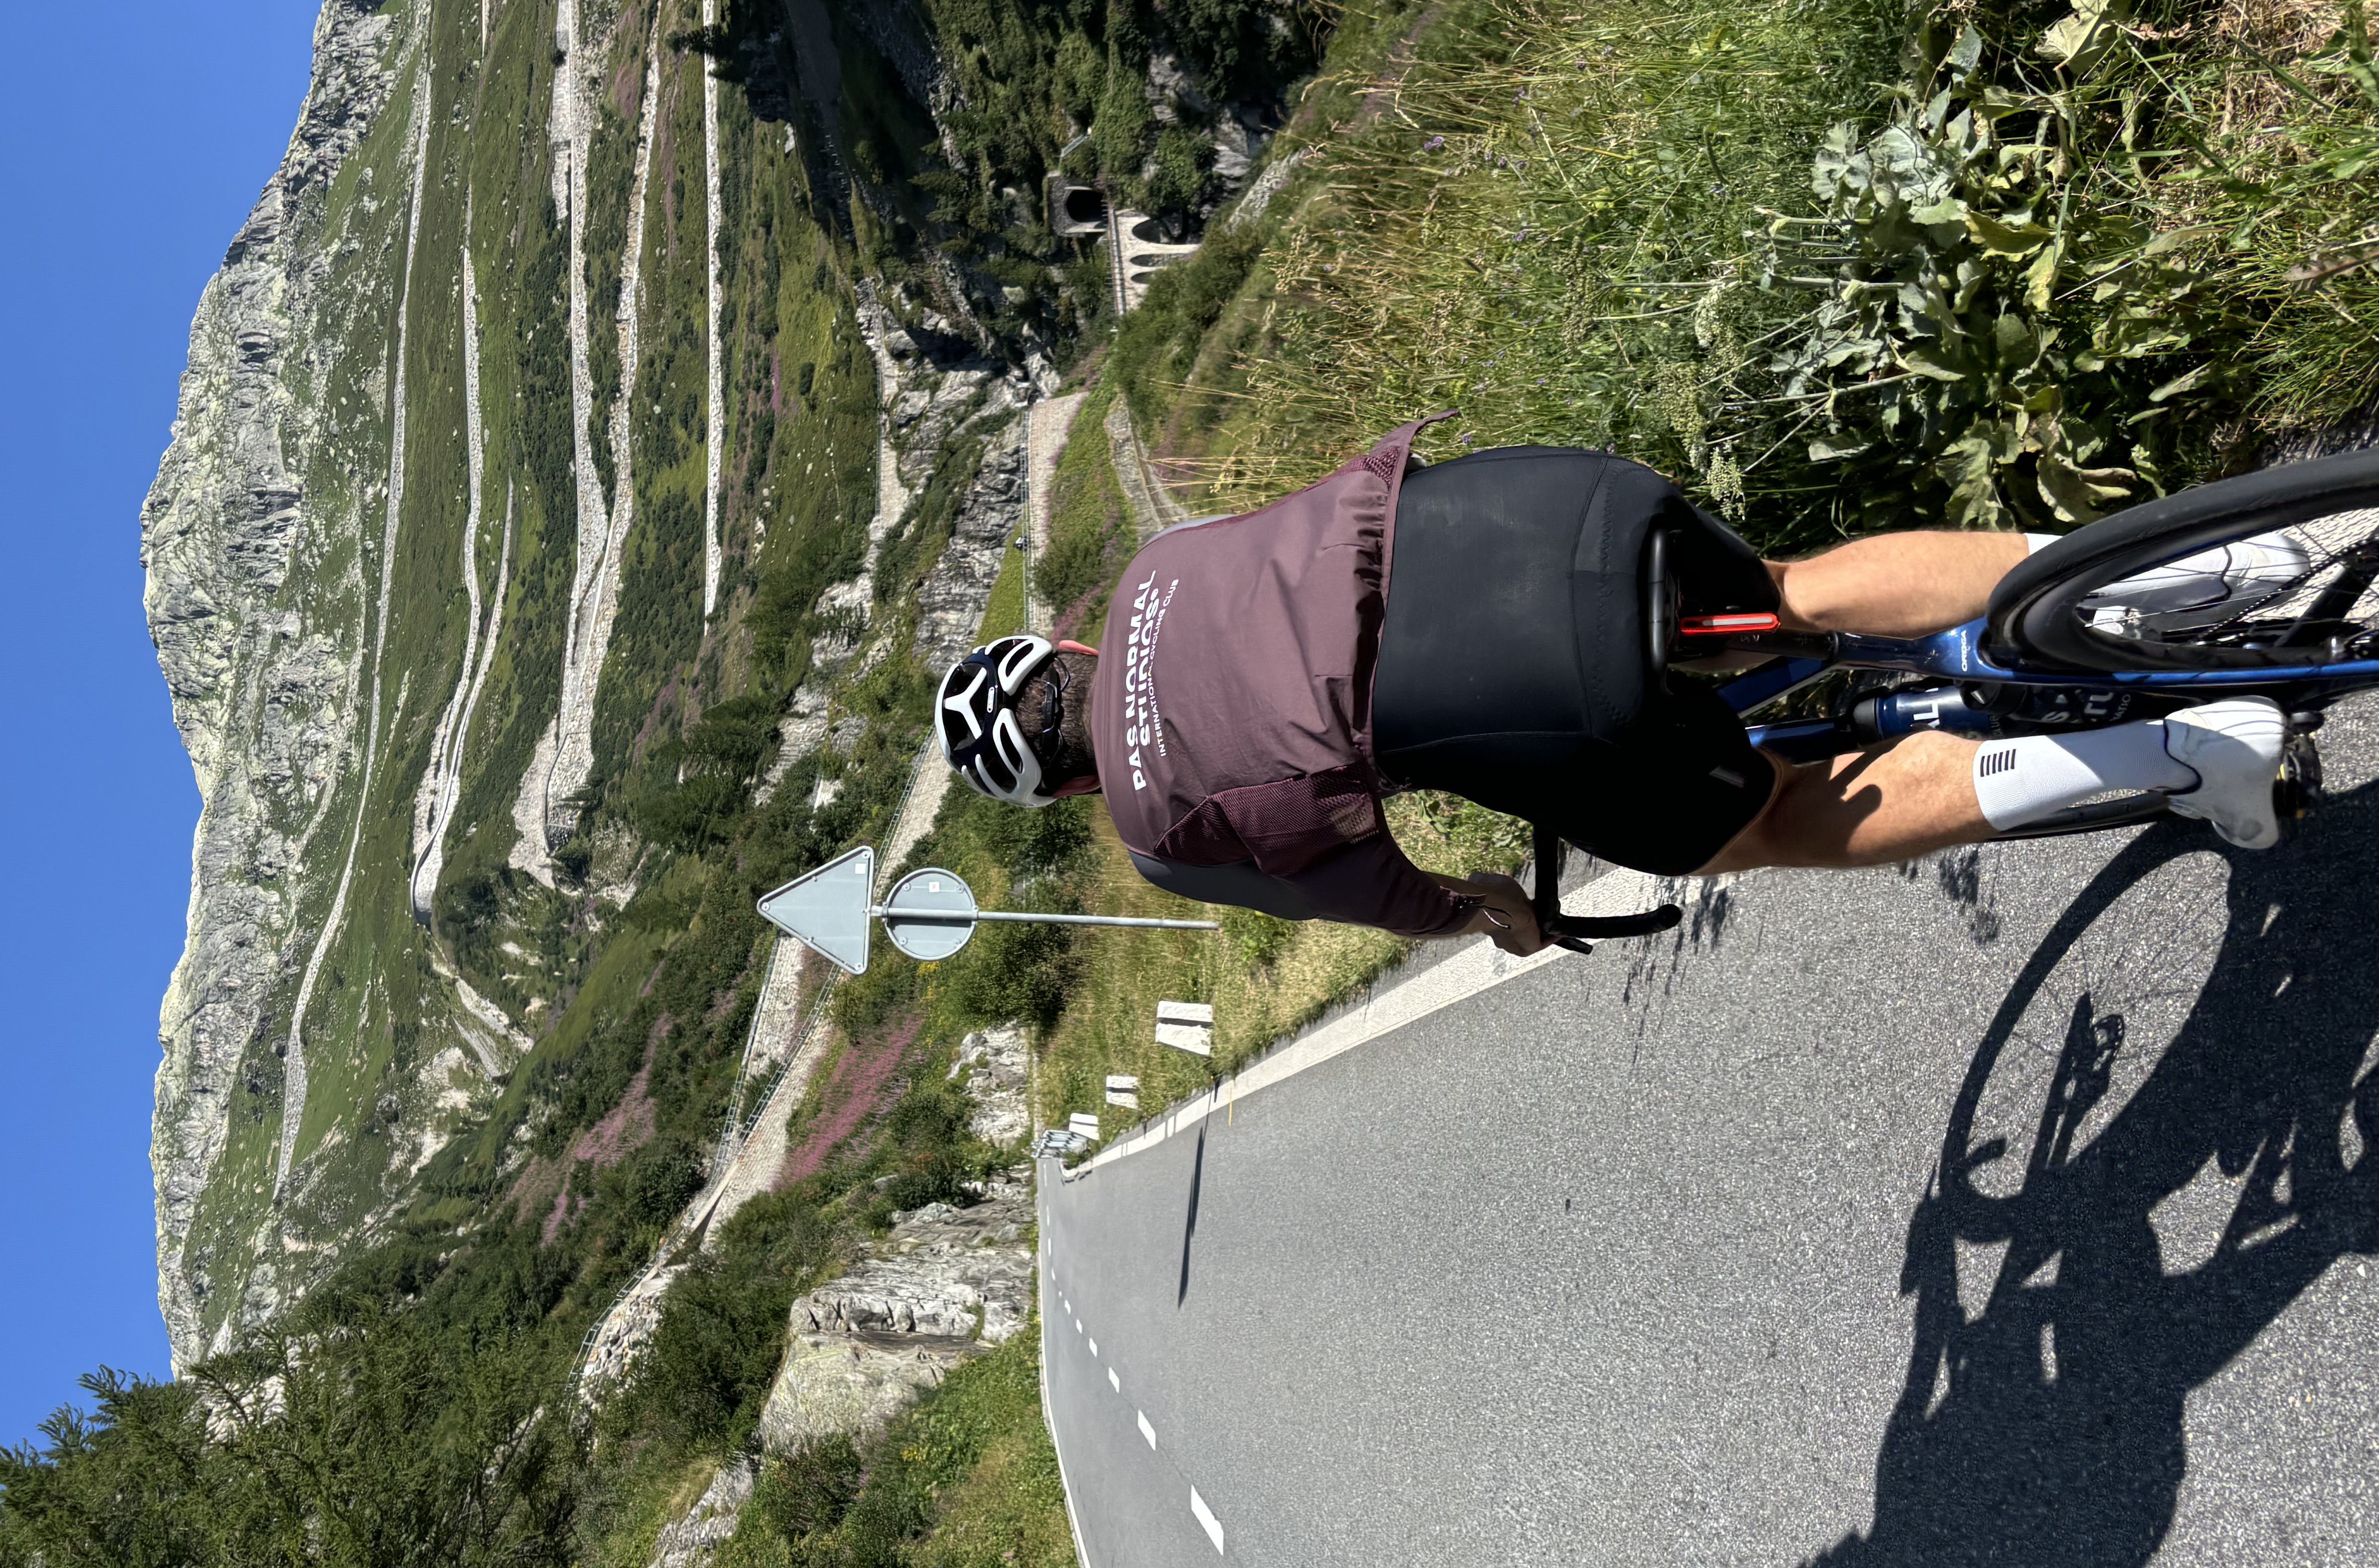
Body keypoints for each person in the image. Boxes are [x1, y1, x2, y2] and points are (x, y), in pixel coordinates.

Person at [936, 432, 2291, 960]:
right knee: (1794, 587)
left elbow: (1344, 876)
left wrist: (1492, 909)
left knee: (1771, 820)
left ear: (1062, 785)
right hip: (1542, 503)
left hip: (1529, 687)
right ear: (1057, 655)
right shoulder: (1151, 573)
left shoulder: (1156, 833)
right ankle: (2182, 568)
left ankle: (2178, 755)